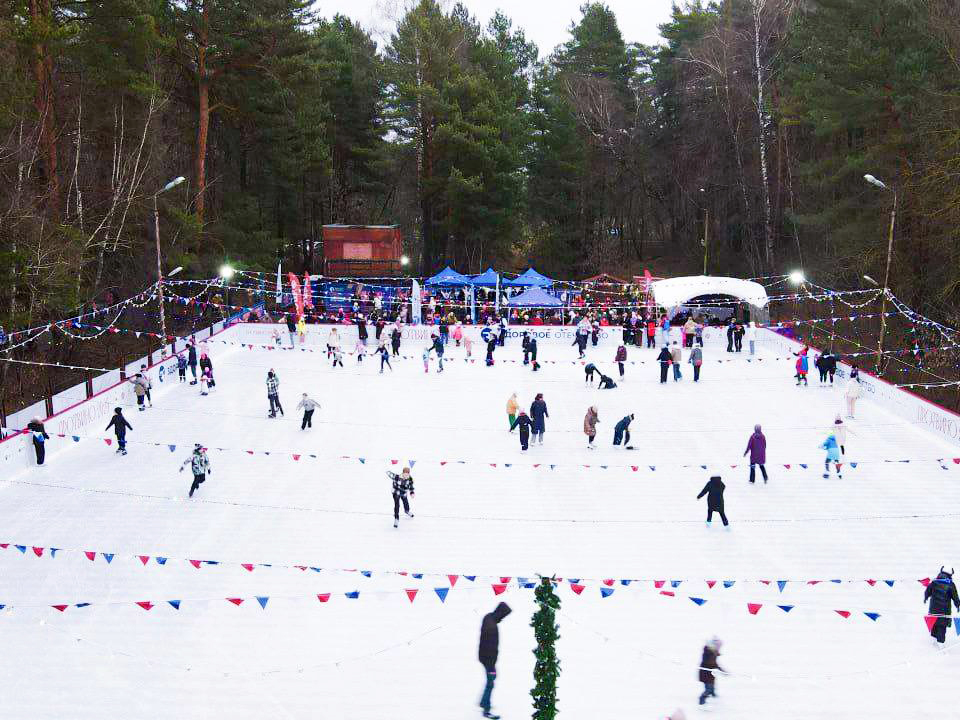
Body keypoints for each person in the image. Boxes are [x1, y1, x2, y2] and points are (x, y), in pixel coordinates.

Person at [478, 602, 512, 719]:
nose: (503, 618)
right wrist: (491, 667)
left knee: (491, 681)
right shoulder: (492, 627)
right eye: (504, 615)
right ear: (500, 613)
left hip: (483, 656)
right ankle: (486, 709)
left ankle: (483, 702)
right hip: (488, 659)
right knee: (491, 682)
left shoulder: (488, 617)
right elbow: (490, 648)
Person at [924, 567, 960, 643]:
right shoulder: (950, 584)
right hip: (944, 612)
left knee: (934, 625)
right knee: (941, 627)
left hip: (933, 610)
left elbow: (927, 592)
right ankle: (941, 646)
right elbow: (955, 597)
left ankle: (933, 642)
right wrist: (958, 605)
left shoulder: (934, 582)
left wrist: (926, 598)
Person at [698, 637, 724, 706]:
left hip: (710, 673)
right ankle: (702, 699)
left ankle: (713, 693)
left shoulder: (713, 652)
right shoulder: (707, 652)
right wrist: (718, 668)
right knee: (708, 688)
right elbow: (710, 662)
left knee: (712, 684)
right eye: (718, 646)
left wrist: (721, 670)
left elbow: (715, 663)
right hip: (705, 673)